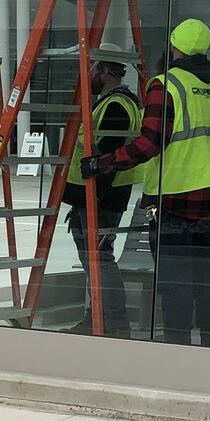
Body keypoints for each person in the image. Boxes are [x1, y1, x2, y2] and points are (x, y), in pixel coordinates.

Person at [81, 20, 210, 347]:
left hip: (174, 203)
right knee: (207, 284)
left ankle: (177, 350)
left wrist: (102, 164)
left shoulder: (166, 85)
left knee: (175, 287)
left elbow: (148, 144)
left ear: (174, 47)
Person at [63, 54, 143, 336]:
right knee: (94, 259)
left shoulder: (117, 106)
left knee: (99, 259)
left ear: (106, 71)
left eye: (94, 69)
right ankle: (97, 317)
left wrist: (93, 198)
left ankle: (113, 320)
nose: (90, 75)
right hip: (97, 194)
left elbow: (108, 156)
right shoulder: (113, 102)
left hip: (101, 194)